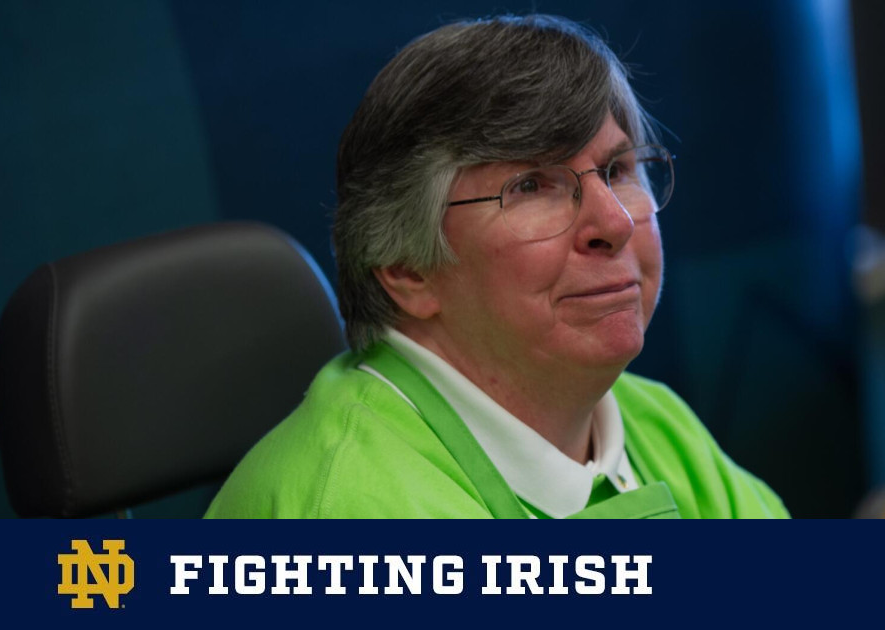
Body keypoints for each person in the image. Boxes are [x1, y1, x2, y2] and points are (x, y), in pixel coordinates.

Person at [206, 14, 788, 519]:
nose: (614, 223)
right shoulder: (350, 510)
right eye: (532, 185)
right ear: (407, 268)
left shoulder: (651, 420)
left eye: (617, 171)